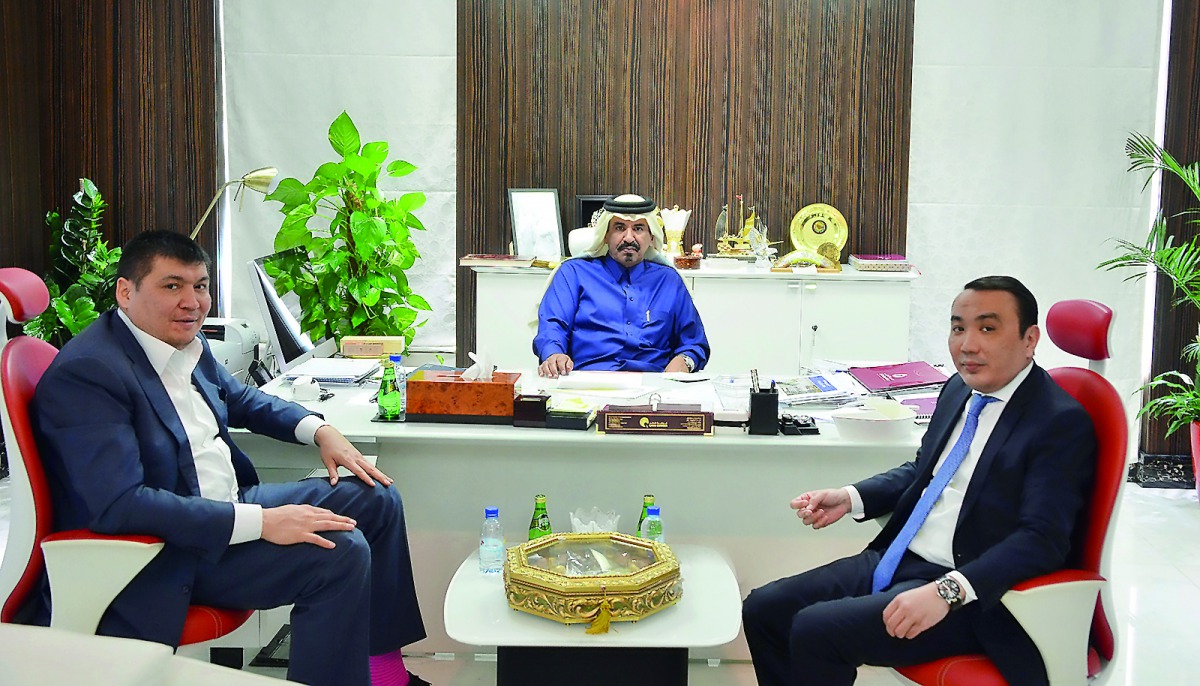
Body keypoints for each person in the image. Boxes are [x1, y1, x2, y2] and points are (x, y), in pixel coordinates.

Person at [30, 231, 428, 686]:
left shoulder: (178, 343)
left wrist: (320, 429)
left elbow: (243, 400)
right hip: (169, 549)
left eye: (200, 286)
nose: (192, 302)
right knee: (340, 552)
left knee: (375, 496)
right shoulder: (92, 372)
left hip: (226, 502)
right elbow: (119, 504)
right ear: (126, 290)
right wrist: (262, 522)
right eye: (172, 286)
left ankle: (383, 672)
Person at [741, 276, 1096, 686]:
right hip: (902, 558)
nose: (967, 345)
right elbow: (923, 470)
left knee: (817, 629)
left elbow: (1042, 539)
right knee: (764, 609)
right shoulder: (959, 390)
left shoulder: (1057, 421)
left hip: (977, 594)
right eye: (958, 327)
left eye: (987, 328)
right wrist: (852, 497)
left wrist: (949, 590)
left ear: (1030, 339)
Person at [533, 194, 710, 377]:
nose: (628, 238)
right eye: (619, 228)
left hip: (654, 385)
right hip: (588, 382)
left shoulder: (669, 280)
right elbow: (553, 327)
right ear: (606, 235)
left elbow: (695, 343)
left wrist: (684, 361)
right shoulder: (574, 273)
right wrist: (554, 355)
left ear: (651, 237)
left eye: (638, 228)